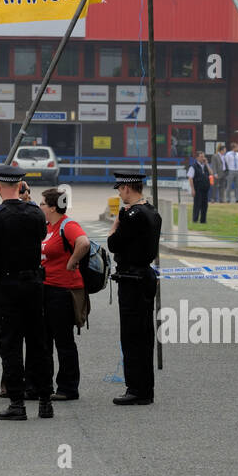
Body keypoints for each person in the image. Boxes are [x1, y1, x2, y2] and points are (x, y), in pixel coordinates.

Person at [0, 165, 51, 421]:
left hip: (8, 287)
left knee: (11, 344)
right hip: (34, 285)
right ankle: (45, 400)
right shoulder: (36, 214)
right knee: (38, 343)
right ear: (21, 186)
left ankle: (17, 403)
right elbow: (40, 238)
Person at [105, 170, 162, 406]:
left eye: (119, 189)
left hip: (132, 278)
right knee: (145, 335)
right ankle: (145, 387)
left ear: (127, 188)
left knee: (131, 336)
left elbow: (112, 243)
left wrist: (117, 222)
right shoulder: (152, 211)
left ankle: (135, 389)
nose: (119, 193)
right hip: (145, 275)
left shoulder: (132, 215)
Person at [38, 188, 90, 401]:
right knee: (44, 340)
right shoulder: (47, 227)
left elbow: (83, 242)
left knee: (63, 340)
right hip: (46, 288)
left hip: (63, 291)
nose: (39, 206)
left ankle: (68, 387)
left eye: (42, 203)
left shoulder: (67, 225)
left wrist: (72, 261)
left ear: (51, 207)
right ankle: (45, 384)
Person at [188, 150, 211, 223]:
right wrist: (192, 189)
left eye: (203, 156)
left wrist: (207, 164)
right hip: (198, 188)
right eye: (201, 157)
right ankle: (195, 219)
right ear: (197, 158)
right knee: (197, 204)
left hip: (205, 188)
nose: (203, 158)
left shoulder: (205, 166)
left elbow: (211, 173)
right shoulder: (193, 166)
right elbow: (190, 178)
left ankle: (203, 220)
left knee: (205, 205)